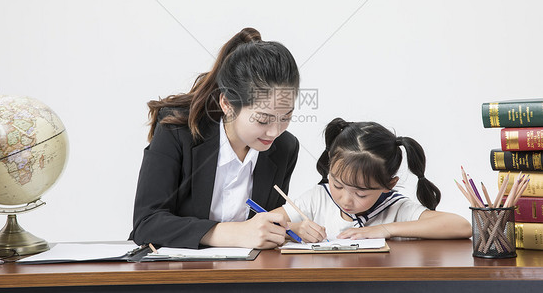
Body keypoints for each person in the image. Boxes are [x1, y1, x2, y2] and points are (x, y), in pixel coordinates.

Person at [130, 28, 300, 249]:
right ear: (227, 104)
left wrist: (285, 230)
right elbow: (146, 224)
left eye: (286, 117)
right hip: (176, 274)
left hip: (247, 275)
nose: (275, 132)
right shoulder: (178, 132)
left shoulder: (284, 147)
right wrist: (234, 233)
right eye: (262, 119)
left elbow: (265, 227)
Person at [273, 118, 471, 242]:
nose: (345, 200)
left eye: (361, 193)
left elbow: (461, 226)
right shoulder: (317, 199)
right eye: (337, 185)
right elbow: (264, 223)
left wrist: (386, 229)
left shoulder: (396, 208)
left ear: (389, 185)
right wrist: (293, 229)